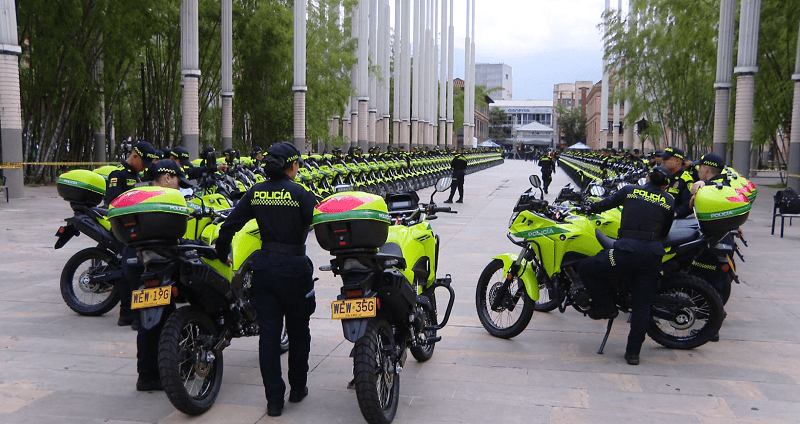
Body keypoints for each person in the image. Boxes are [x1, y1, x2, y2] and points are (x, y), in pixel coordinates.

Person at [215, 142, 317, 417]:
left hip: (266, 270)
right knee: (298, 332)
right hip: (295, 270)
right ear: (293, 166)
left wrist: (222, 252)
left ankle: (274, 401)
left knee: (269, 337)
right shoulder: (301, 194)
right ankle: (297, 388)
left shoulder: (256, 193)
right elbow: (323, 224)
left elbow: (228, 226)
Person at [578, 166, 674, 366]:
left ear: (646, 178)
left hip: (625, 253)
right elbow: (665, 230)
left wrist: (589, 208)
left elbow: (604, 205)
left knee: (586, 267)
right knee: (641, 307)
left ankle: (607, 308)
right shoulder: (669, 200)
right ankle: (633, 354)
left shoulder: (629, 190)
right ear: (665, 186)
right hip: (652, 258)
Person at [129, 159, 194, 391]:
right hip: (166, 264)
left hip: (142, 266)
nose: (179, 186)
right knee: (170, 318)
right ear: (167, 177)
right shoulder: (166, 200)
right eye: (177, 180)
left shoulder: (139, 195)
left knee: (148, 324)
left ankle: (147, 375)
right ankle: (180, 366)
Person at [106, 141, 159, 329]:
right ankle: (128, 315)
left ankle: (130, 315)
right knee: (129, 270)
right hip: (122, 230)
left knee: (135, 269)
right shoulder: (117, 174)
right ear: (134, 156)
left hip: (137, 229)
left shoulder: (139, 174)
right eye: (143, 161)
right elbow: (113, 203)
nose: (145, 165)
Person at [659, 147, 694, 218]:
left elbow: (688, 205)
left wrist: (672, 214)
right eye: (662, 158)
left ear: (677, 161)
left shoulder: (685, 179)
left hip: (674, 222)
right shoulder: (660, 175)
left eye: (666, 158)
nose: (662, 161)